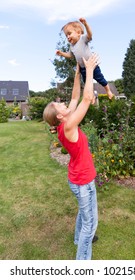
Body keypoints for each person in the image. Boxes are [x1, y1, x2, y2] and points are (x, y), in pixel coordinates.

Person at [43, 54, 99, 260]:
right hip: (83, 181)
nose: (63, 103)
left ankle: (77, 239)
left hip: (78, 178)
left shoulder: (65, 123)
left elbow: (75, 97)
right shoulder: (68, 126)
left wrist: (77, 73)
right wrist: (90, 70)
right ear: (59, 115)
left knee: (85, 216)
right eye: (59, 105)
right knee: (90, 224)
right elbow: (85, 99)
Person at [56, 18, 114, 100]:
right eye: (66, 36)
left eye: (69, 34)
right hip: (83, 69)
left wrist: (86, 24)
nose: (68, 37)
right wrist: (61, 53)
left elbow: (90, 35)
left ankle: (108, 90)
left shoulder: (82, 39)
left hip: (92, 65)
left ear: (78, 33)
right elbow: (70, 55)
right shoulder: (71, 46)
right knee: (87, 84)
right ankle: (92, 96)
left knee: (100, 79)